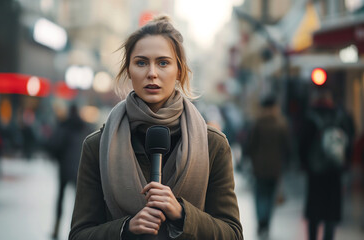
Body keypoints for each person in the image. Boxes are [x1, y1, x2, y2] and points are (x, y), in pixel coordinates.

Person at [69, 15, 243, 240]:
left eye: (163, 62)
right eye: (141, 62)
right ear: (129, 71)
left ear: (179, 71)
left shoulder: (213, 145)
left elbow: (233, 234)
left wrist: (182, 214)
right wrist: (126, 228)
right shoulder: (97, 145)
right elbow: (79, 235)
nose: (152, 72)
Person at [299, 88, 354, 240]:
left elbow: (302, 144)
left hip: (315, 172)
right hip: (335, 172)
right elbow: (348, 142)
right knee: (331, 212)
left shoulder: (310, 117)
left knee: (314, 212)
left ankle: (313, 236)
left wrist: (305, 164)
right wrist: (345, 163)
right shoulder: (341, 117)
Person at [245, 94, 290, 237]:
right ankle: (267, 223)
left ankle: (261, 222)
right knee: (270, 198)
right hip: (275, 168)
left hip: (259, 168)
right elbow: (287, 147)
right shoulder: (282, 124)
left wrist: (251, 159)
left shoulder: (257, 123)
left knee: (260, 197)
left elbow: (251, 145)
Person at [48, 104, 90, 239]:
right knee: (79, 201)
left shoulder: (64, 126)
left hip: (64, 169)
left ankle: (56, 228)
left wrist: (57, 158)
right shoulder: (84, 127)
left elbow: (54, 145)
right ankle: (78, 229)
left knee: (60, 198)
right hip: (80, 169)